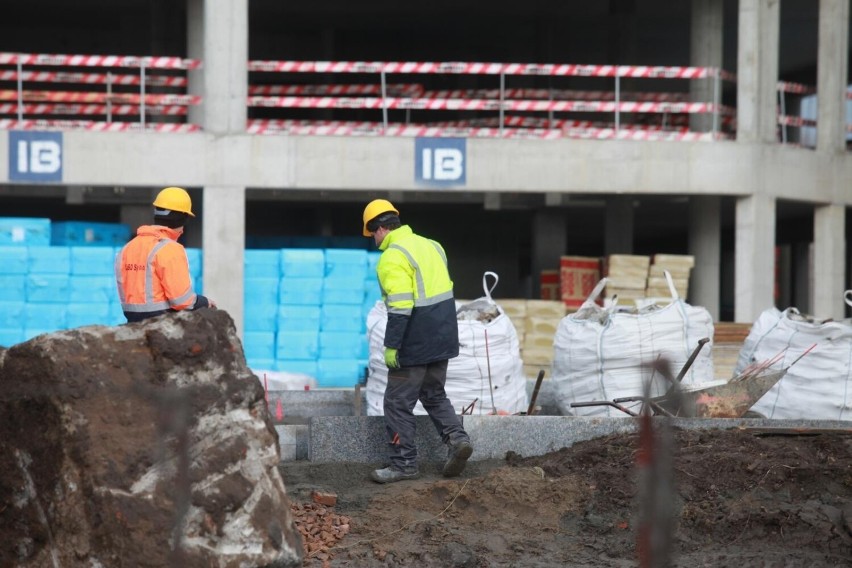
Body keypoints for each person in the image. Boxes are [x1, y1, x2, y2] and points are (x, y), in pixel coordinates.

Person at [362, 198, 473, 483]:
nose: (373, 240)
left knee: (397, 402)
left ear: (380, 229)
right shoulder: (433, 245)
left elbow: (400, 306)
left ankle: (404, 464)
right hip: (444, 335)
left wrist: (392, 345)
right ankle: (458, 440)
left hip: (415, 339)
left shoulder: (392, 257)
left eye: (371, 233)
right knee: (434, 394)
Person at [115, 186, 215, 322]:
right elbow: (182, 301)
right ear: (183, 218)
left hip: (132, 321)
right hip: (162, 324)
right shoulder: (170, 249)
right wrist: (204, 302)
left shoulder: (127, 248)